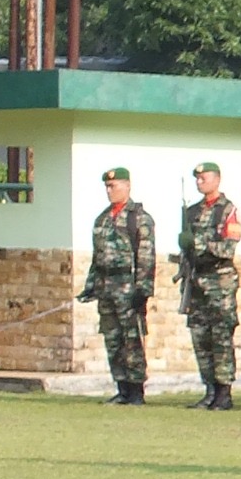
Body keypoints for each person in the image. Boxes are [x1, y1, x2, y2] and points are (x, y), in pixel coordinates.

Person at [78, 166, 155, 404]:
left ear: (127, 186)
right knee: (112, 339)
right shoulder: (102, 219)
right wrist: (91, 286)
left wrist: (143, 290)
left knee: (131, 339)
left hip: (127, 286)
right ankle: (121, 387)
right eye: (107, 187)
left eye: (114, 186)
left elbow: (146, 257)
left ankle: (136, 390)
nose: (110, 191)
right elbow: (97, 257)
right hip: (106, 287)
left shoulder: (138, 218)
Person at [178, 160, 241, 410]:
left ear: (217, 180)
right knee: (200, 337)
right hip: (197, 280)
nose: (199, 182)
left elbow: (228, 247)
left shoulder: (227, 210)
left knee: (221, 337)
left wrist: (200, 245)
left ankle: (224, 392)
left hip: (220, 281)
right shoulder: (192, 212)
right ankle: (209, 389)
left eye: (204, 178)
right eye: (197, 179)